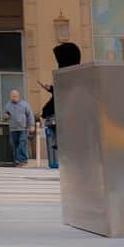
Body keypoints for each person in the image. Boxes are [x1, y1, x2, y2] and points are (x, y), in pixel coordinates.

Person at [39, 41, 81, 170]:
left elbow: (65, 95)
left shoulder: (68, 75)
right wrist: (52, 89)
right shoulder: (73, 75)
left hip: (68, 122)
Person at [2, 89, 35, 167]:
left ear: (18, 96)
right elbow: (4, 116)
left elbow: (30, 115)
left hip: (23, 128)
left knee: (22, 144)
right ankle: (17, 161)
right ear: (10, 97)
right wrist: (5, 117)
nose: (13, 98)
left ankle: (23, 161)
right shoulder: (8, 105)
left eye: (15, 96)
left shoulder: (24, 105)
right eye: (12, 96)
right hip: (13, 129)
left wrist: (32, 125)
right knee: (15, 145)